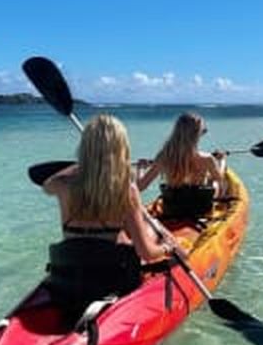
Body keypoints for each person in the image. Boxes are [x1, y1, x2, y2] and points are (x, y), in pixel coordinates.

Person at [42, 114, 181, 318]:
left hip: (70, 278)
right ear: (121, 149)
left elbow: (43, 181)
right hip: (112, 283)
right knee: (149, 232)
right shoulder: (126, 191)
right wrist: (167, 247)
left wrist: (82, 166)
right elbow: (146, 253)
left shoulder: (62, 184)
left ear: (84, 148)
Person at [136, 112, 227, 219]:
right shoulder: (207, 159)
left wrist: (140, 168)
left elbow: (140, 187)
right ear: (196, 134)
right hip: (200, 209)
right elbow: (220, 182)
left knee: (210, 180)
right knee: (215, 182)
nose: (204, 133)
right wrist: (222, 161)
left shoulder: (164, 157)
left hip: (172, 210)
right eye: (203, 131)